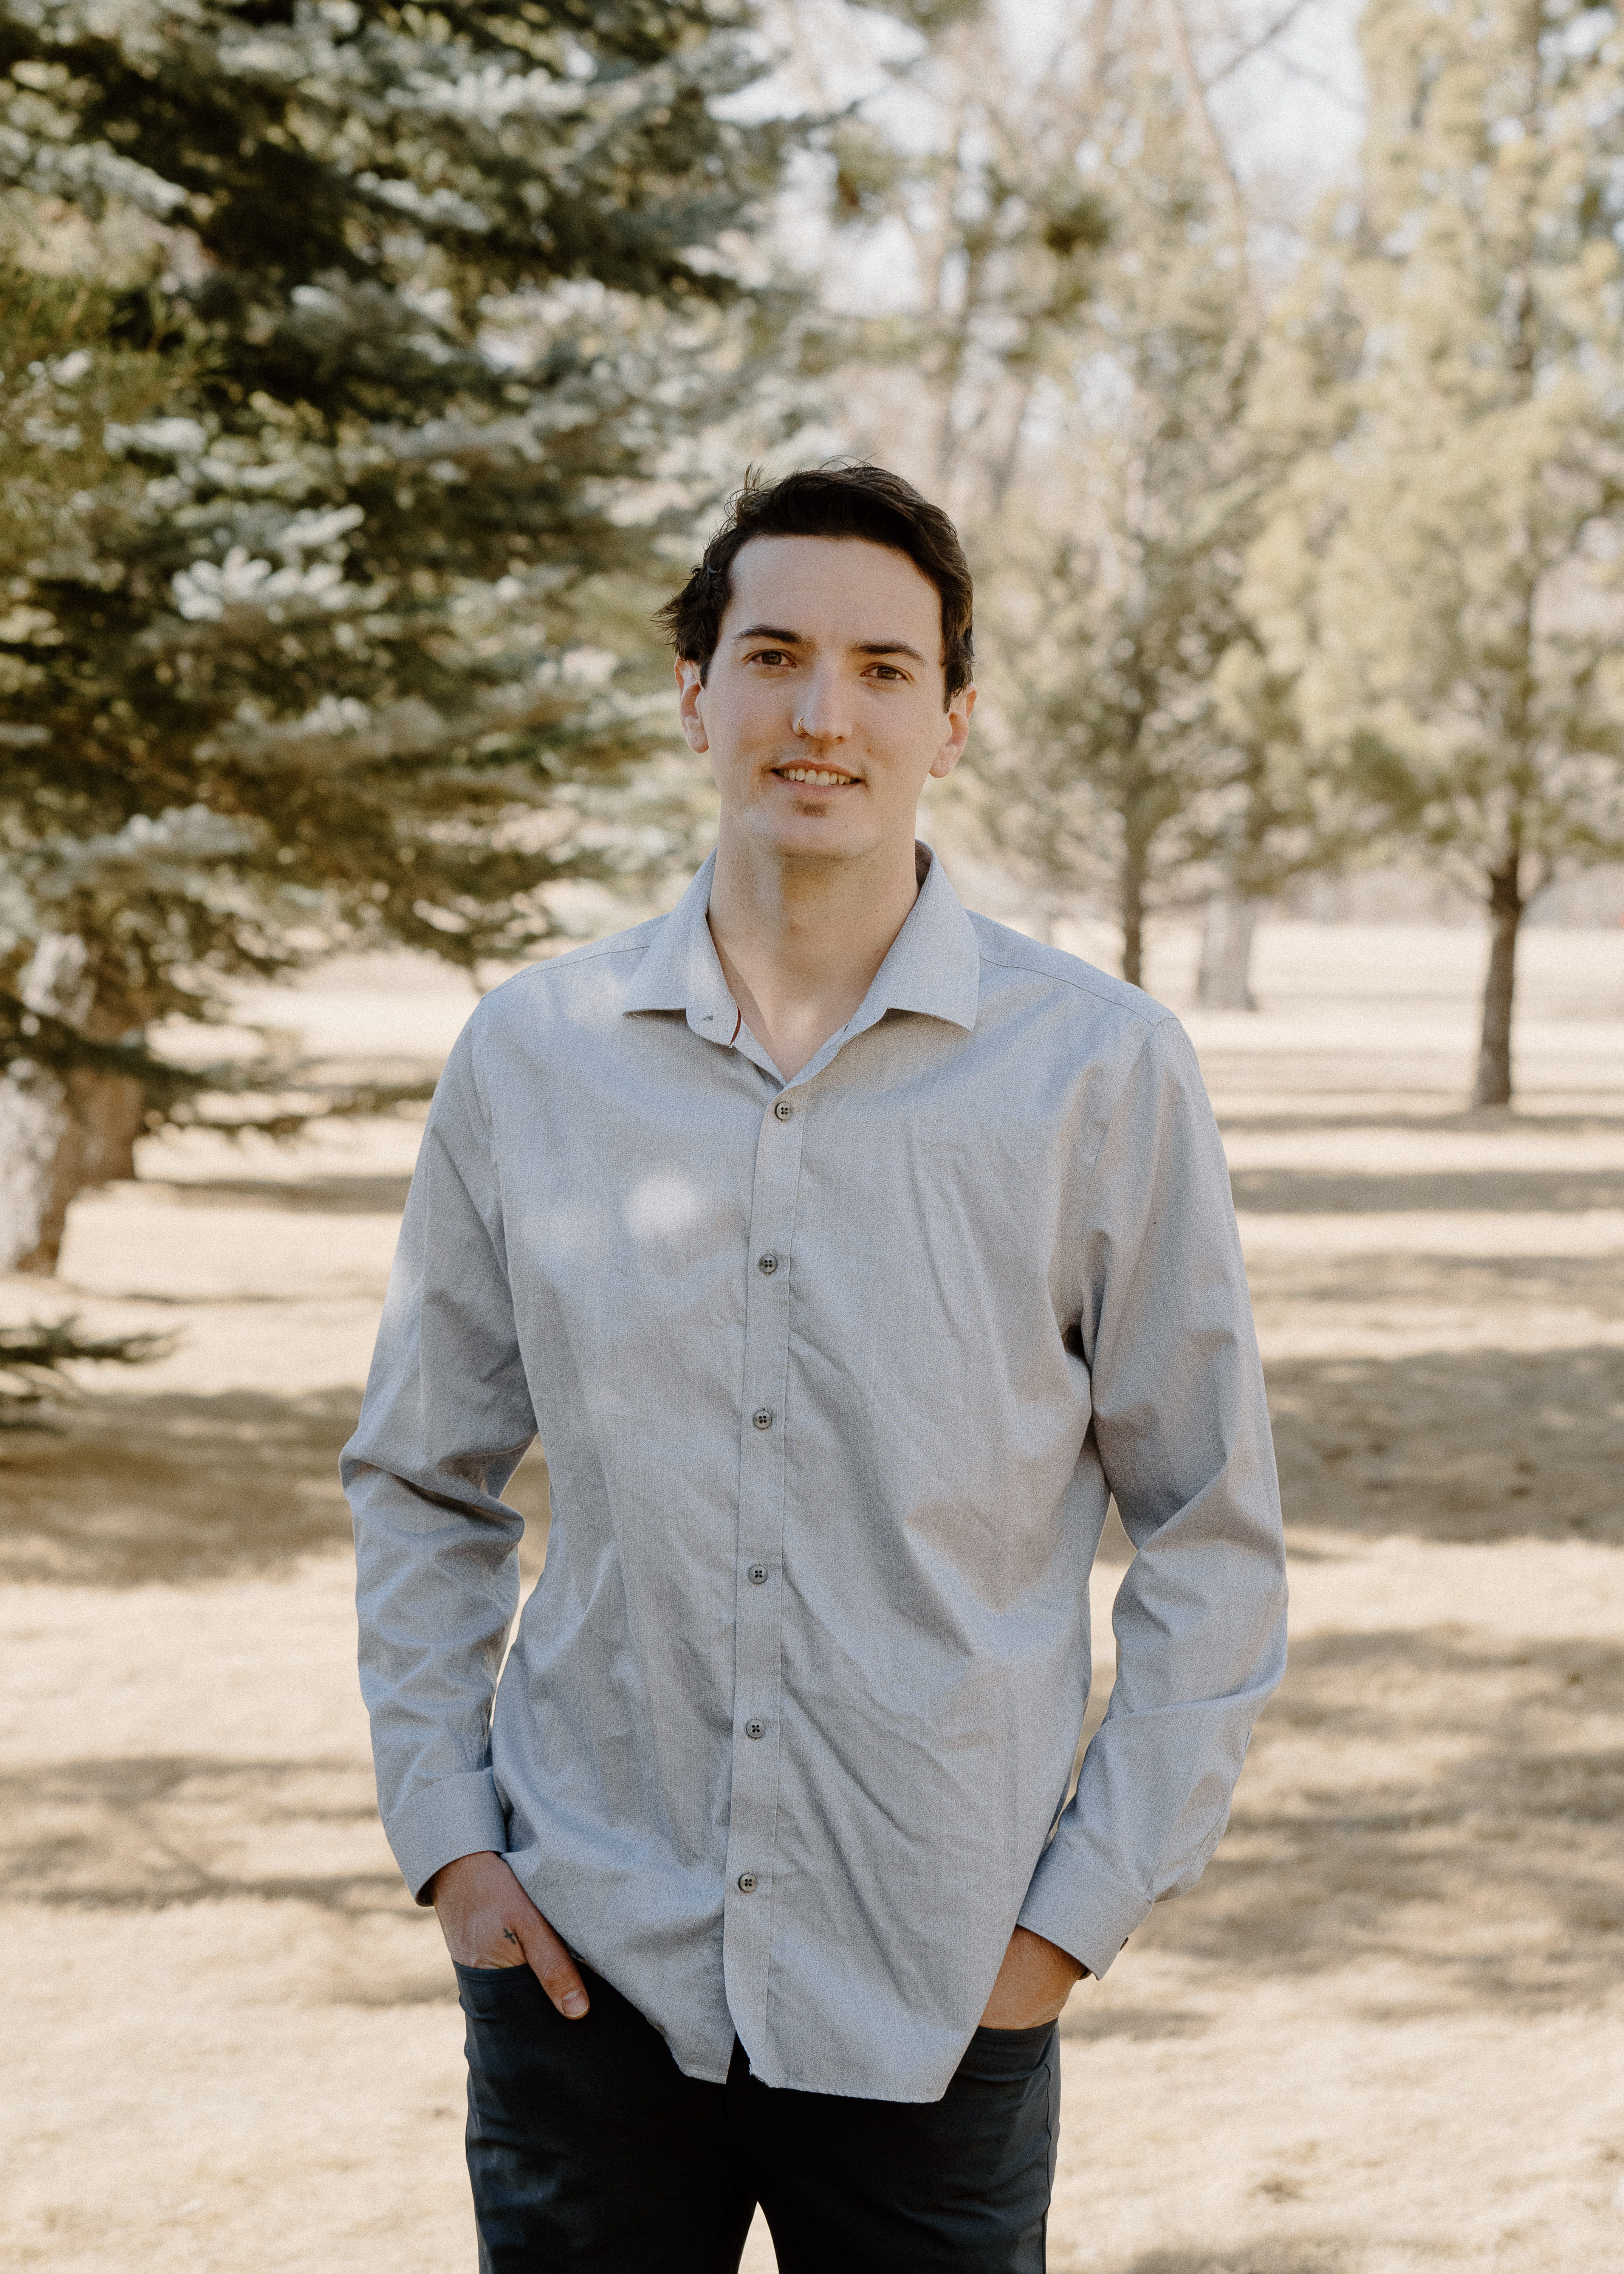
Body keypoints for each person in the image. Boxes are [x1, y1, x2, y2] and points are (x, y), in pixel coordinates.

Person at [343, 463, 1287, 2273]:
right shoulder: (532, 1056)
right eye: (772, 655)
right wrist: (456, 1846)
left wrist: (1065, 1927)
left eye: (879, 668)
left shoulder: (1098, 1072)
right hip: (585, 1975)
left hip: (940, 1985)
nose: (820, 713)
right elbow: (422, 1477)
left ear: (954, 718)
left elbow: (1214, 1537)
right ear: (696, 693)